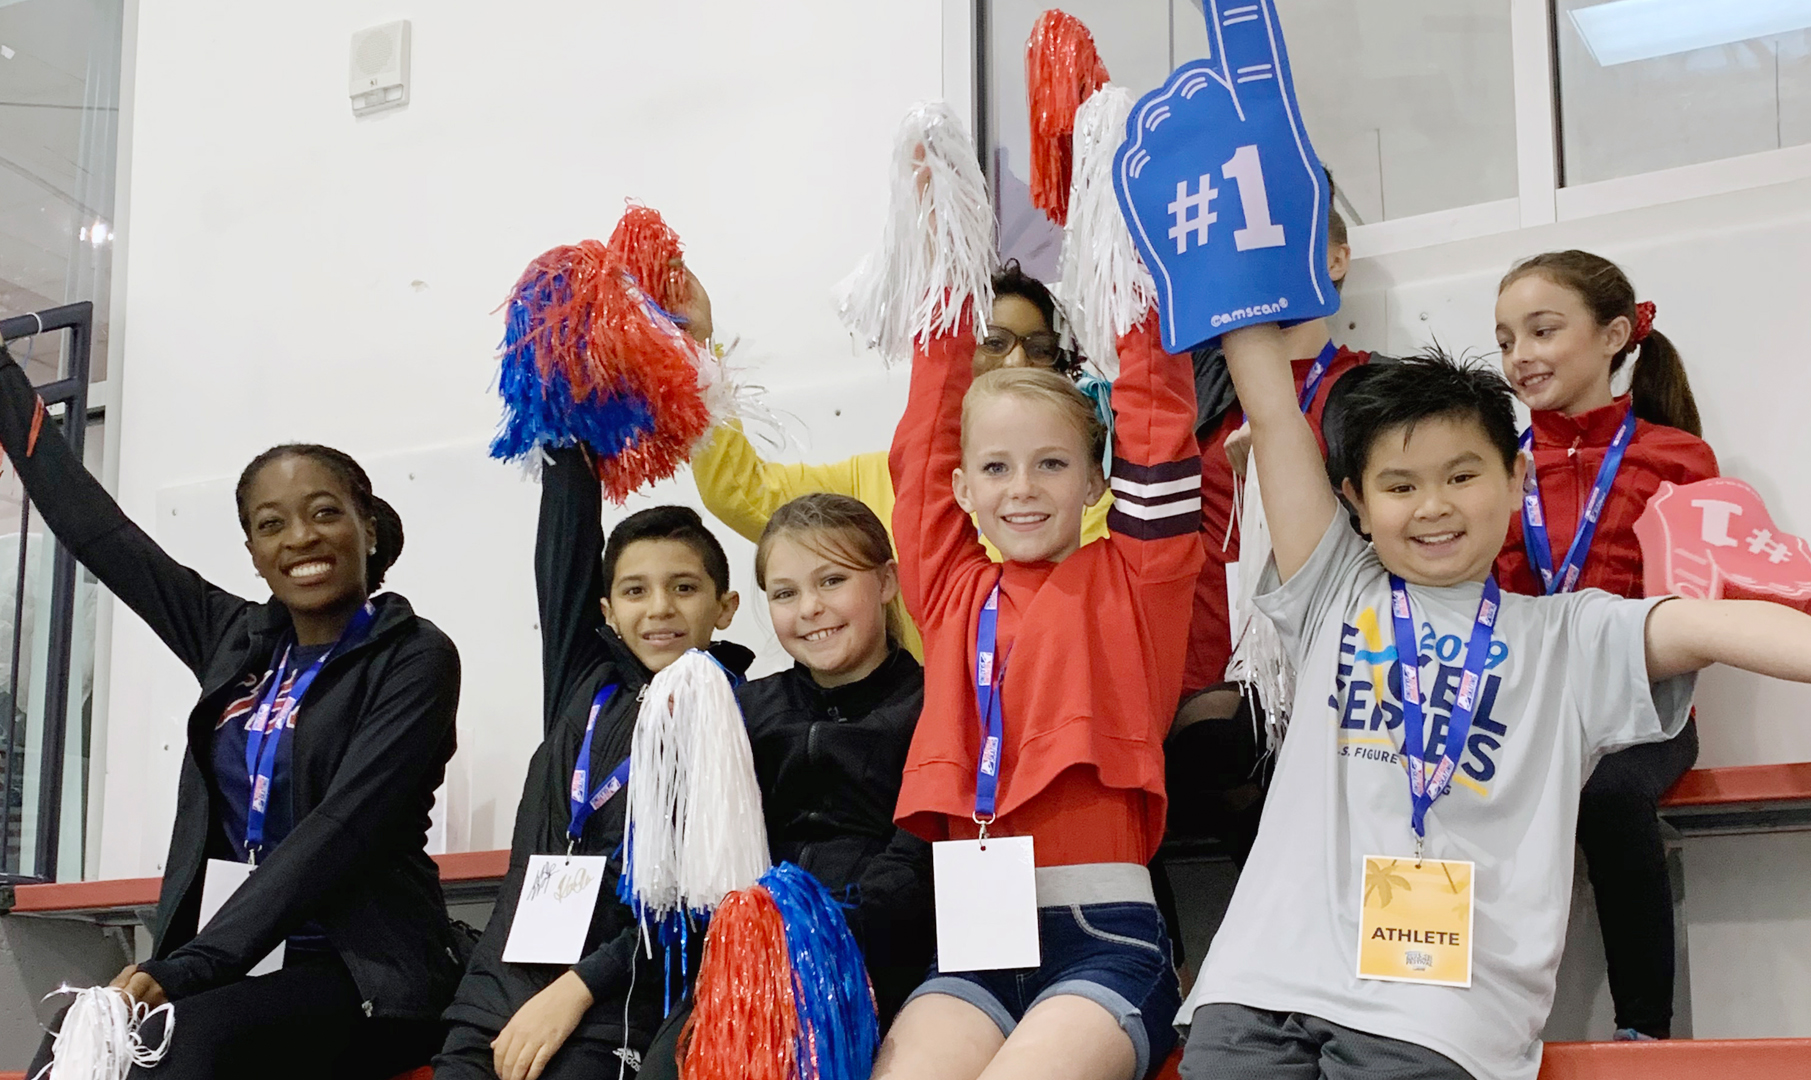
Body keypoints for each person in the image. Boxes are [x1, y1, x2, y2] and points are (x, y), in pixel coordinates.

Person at [1176, 326, 1811, 1080]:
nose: (1432, 506)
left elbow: (1714, 624)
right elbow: (1274, 412)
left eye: (1461, 475)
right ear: (1354, 500)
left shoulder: (1568, 636)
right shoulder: (1335, 588)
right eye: (1400, 485)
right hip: (1261, 982)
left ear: (1515, 480)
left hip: (1438, 1005)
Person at [3, 344, 463, 1079]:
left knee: (179, 1043)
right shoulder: (234, 640)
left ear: (367, 528)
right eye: (271, 524)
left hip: (363, 971)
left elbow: (339, 830)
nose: (301, 538)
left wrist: (191, 965)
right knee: (76, 1036)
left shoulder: (412, 656)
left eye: (323, 513)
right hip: (233, 961)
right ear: (251, 550)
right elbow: (99, 536)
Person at [874, 231, 1202, 1079]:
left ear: (1096, 480)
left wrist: (1130, 278)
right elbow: (921, 447)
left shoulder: (1137, 580)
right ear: (964, 487)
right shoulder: (948, 588)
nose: (1021, 487)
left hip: (1105, 946)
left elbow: (1160, 434)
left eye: (1051, 464)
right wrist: (944, 269)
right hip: (974, 952)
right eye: (996, 467)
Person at [433, 468, 749, 1080]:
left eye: (684, 587)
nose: (659, 608)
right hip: (498, 991)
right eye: (635, 591)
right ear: (607, 610)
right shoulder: (583, 681)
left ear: (725, 607)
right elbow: (567, 539)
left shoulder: (740, 720)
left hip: (615, 1004)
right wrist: (569, 432)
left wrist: (576, 990)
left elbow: (697, 905)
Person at [1492, 250, 1717, 1041]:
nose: (1520, 354)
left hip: (1642, 711)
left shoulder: (1676, 457)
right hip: (1527, 701)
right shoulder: (1493, 463)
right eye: (1505, 339)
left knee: (1611, 795)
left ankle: (1643, 1032)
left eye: (1542, 330)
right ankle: (1451, 1019)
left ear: (1614, 335)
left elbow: (1702, 609)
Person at [634, 493, 934, 1080]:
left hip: (880, 959)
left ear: (888, 582)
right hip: (746, 965)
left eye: (832, 580)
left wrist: (816, 929)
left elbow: (920, 850)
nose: (811, 609)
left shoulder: (936, 703)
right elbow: (705, 859)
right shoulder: (744, 710)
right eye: (786, 593)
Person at [687, 260, 1114, 659]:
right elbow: (740, 491)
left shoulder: (1091, 497)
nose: (1017, 361)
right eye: (994, 342)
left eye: (1040, 348)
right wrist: (698, 351)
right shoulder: (883, 477)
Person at [1164, 174, 1375, 869]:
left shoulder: (1372, 388)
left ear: (1335, 259)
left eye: (1285, 247)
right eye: (1246, 256)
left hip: (1336, 664)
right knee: (1210, 750)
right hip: (1210, 671)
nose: (1265, 273)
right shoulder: (1191, 405)